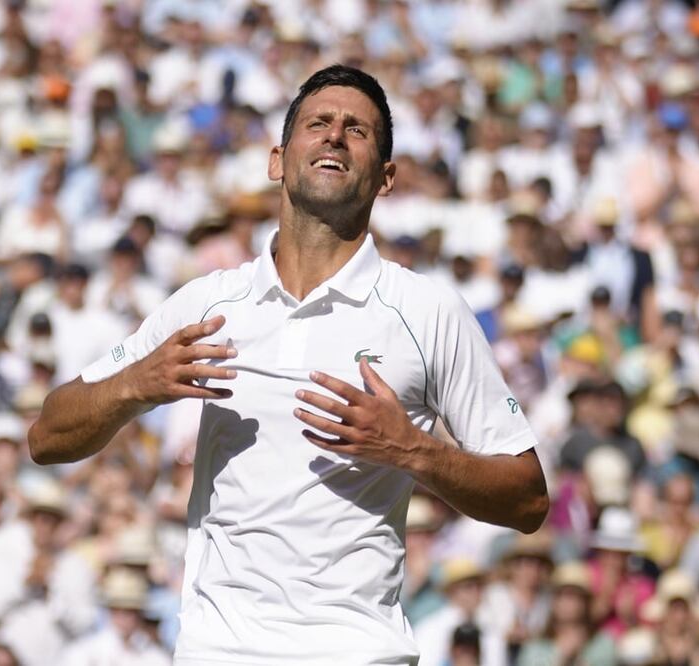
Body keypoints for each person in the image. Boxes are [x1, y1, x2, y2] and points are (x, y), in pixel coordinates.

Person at [30, 65, 549, 665]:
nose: (334, 137)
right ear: (278, 160)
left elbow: (529, 499)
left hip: (359, 652)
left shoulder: (427, 311)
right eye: (318, 123)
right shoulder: (209, 302)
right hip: (217, 651)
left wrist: (412, 451)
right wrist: (134, 385)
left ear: (385, 178)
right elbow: (47, 436)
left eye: (357, 130)